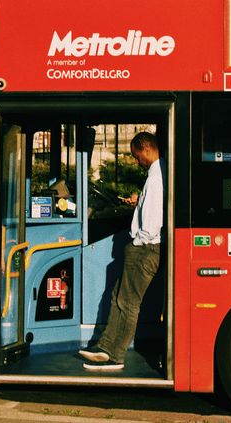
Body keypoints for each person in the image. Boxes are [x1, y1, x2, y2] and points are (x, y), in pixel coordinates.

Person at [78, 131, 165, 370]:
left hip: (144, 248)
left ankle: (115, 354)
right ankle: (106, 347)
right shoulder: (158, 174)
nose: (138, 161)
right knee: (119, 296)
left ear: (146, 148)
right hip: (144, 247)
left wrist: (137, 241)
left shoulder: (157, 178)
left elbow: (152, 222)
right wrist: (139, 201)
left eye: (138, 157)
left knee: (127, 302)